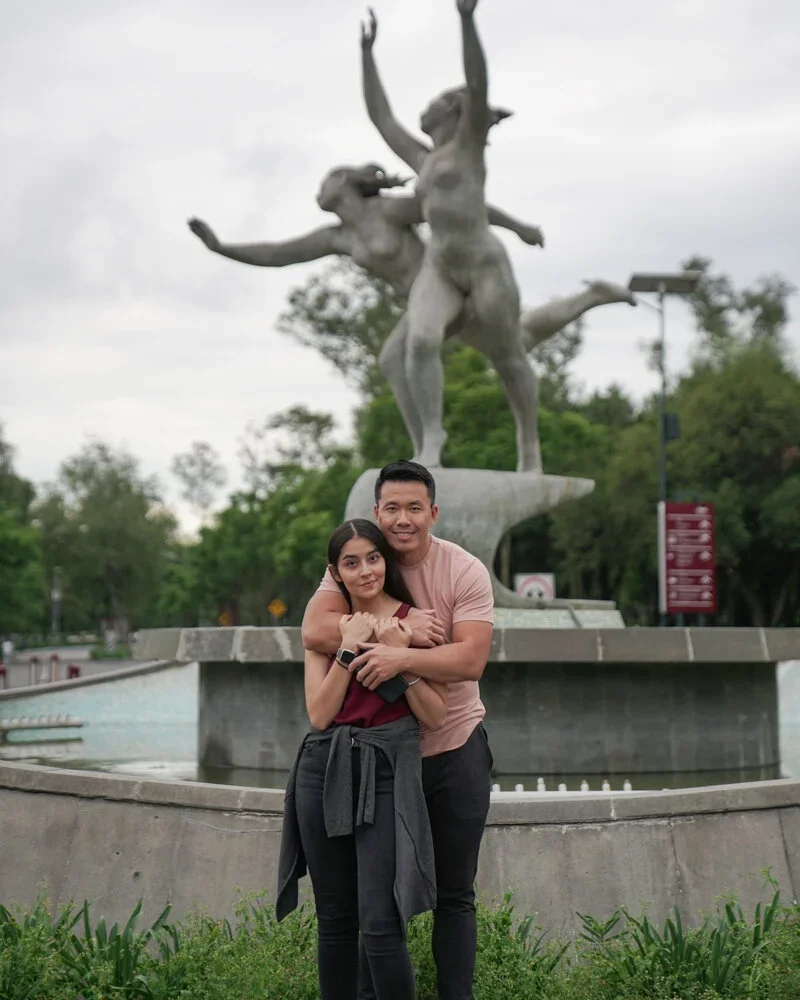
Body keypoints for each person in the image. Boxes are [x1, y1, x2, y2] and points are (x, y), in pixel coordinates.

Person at [302, 461, 495, 1000]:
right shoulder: (362, 556)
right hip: (381, 763)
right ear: (376, 511)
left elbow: (470, 660)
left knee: (454, 893)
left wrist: (399, 657)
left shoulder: (464, 570)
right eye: (392, 507)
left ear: (433, 513)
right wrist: (403, 631)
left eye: (414, 508)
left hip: (452, 746)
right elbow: (314, 630)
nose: (402, 518)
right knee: (377, 905)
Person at [278, 518, 449, 1000]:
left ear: (385, 560)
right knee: (335, 919)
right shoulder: (330, 631)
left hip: (387, 772)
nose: (366, 571)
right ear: (336, 573)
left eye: (373, 558)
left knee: (380, 921)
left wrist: (402, 660)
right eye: (351, 563)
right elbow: (319, 714)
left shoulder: (417, 623)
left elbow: (435, 715)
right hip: (323, 768)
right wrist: (349, 648)